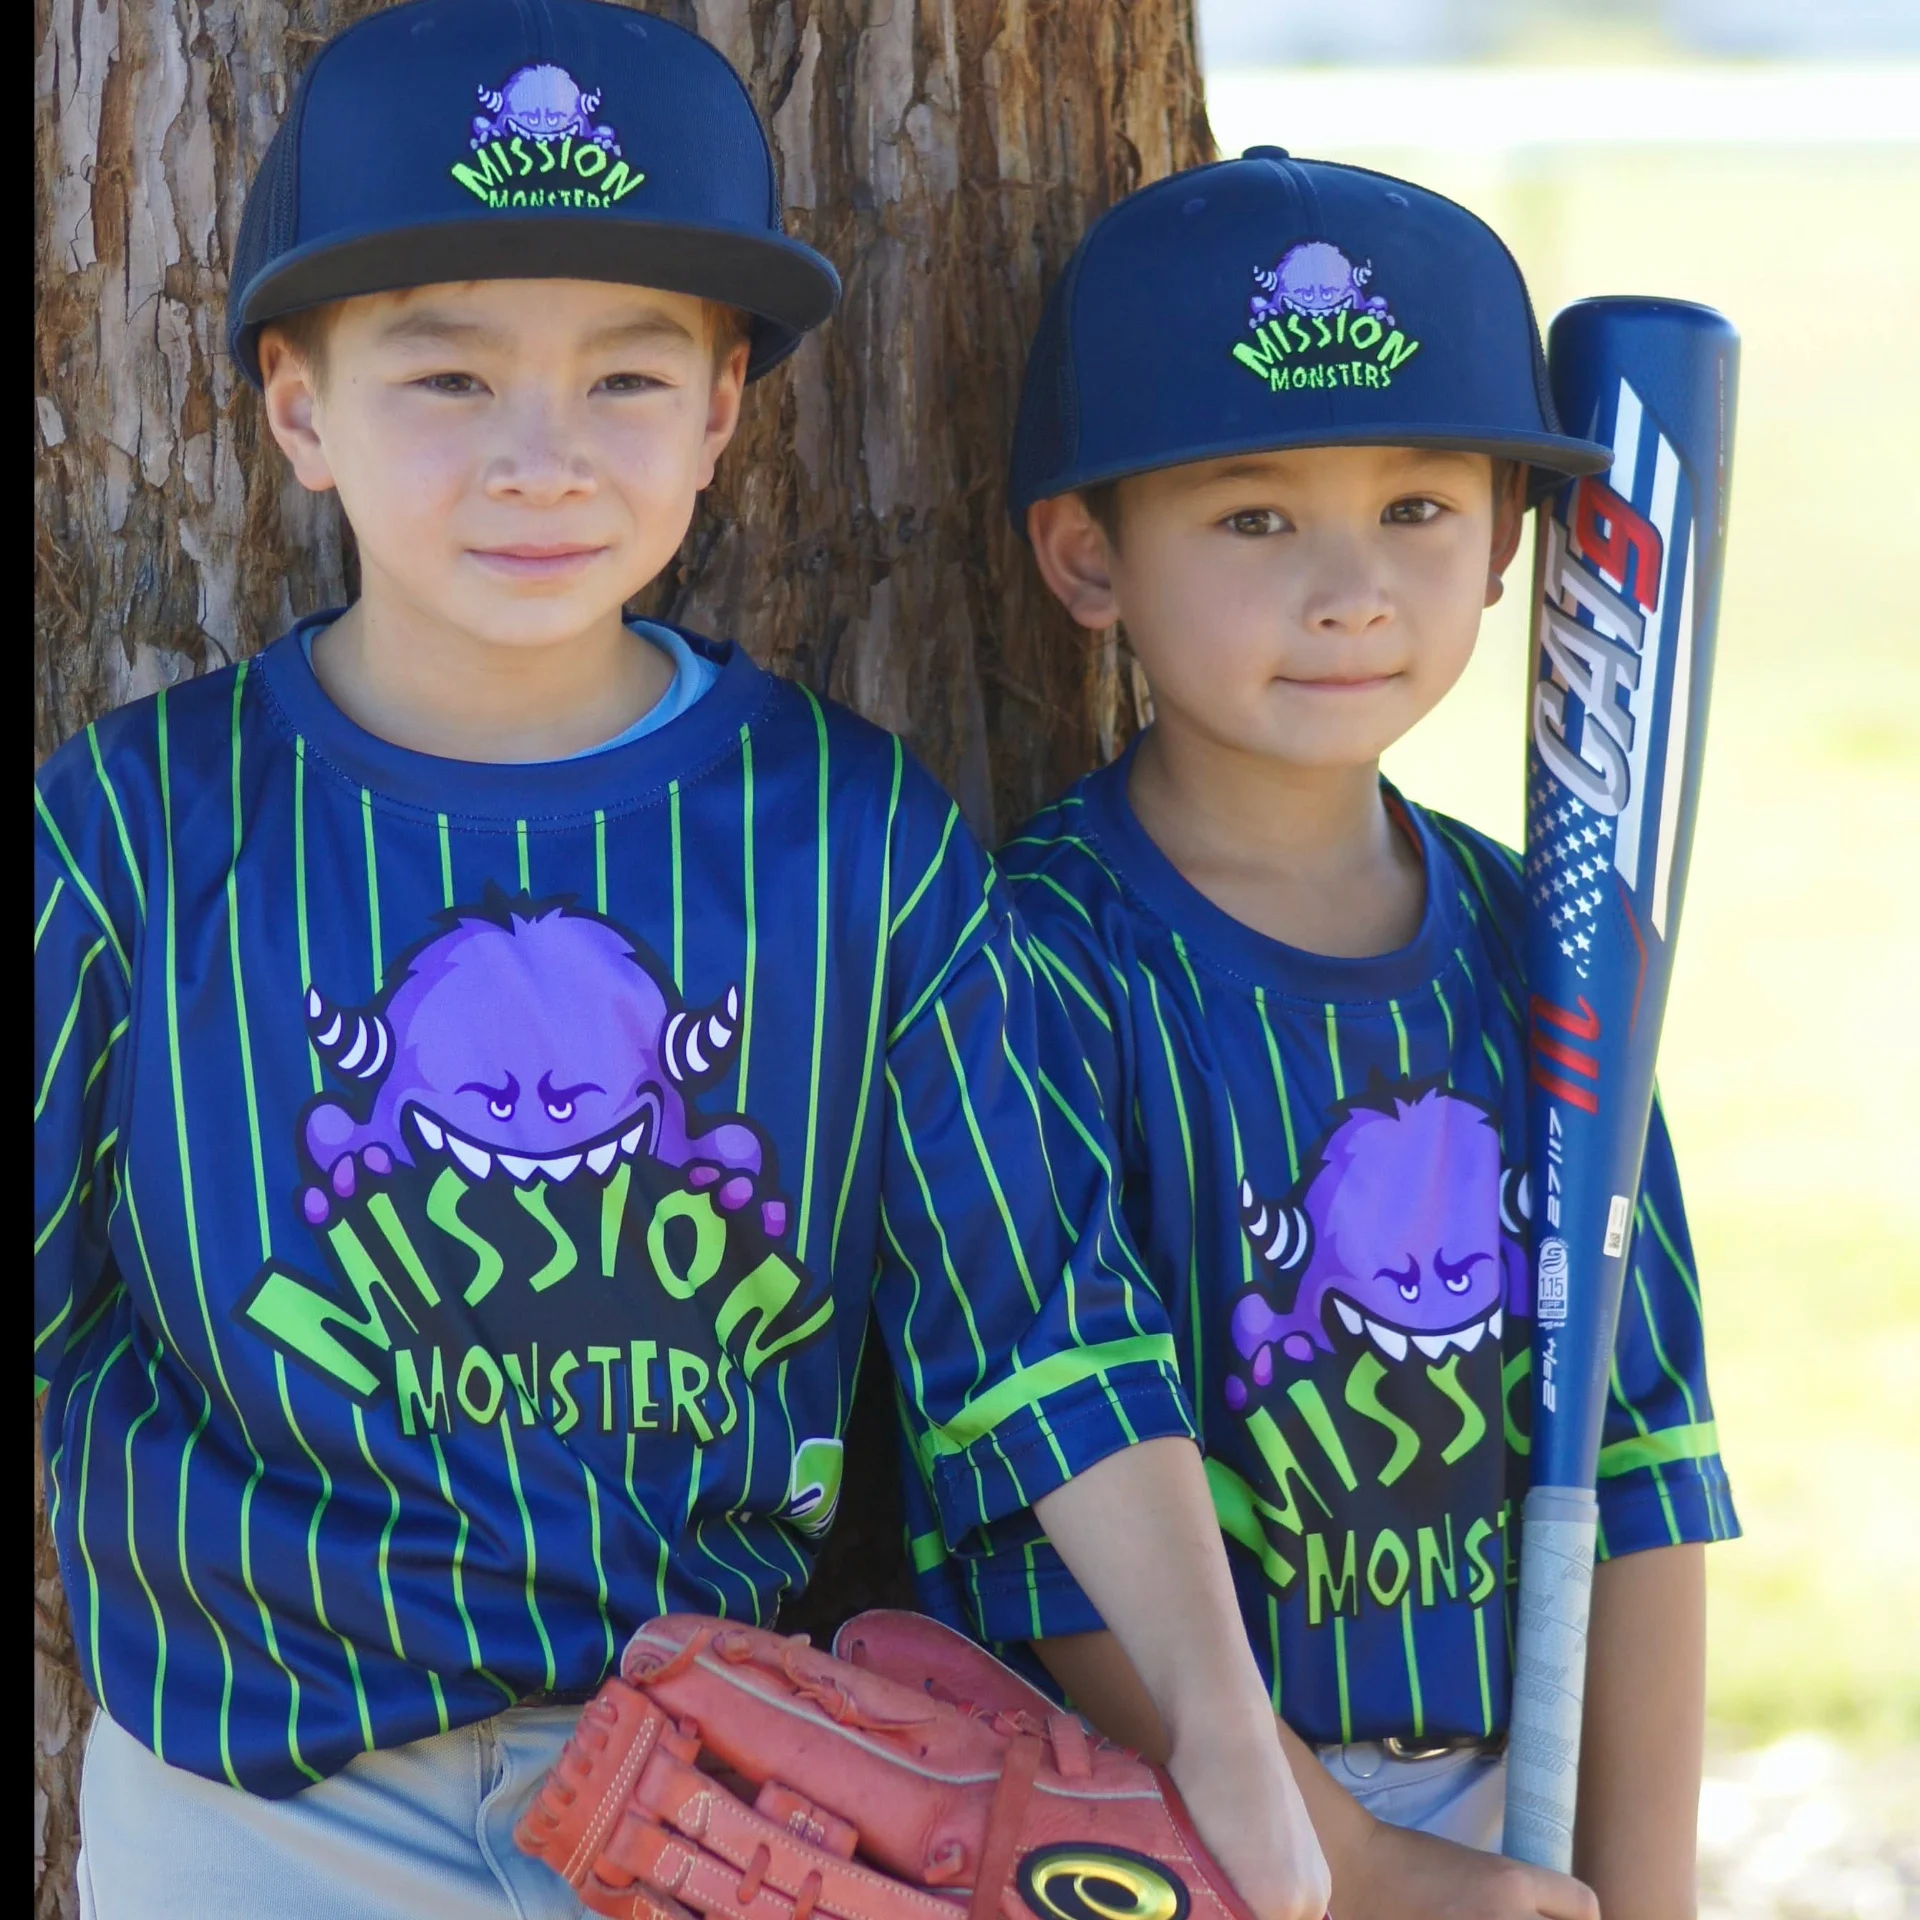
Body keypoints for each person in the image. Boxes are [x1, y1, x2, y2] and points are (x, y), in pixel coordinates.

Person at [30, 9, 1326, 1914]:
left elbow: (1043, 1325)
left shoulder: (853, 841)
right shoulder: (138, 831)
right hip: (253, 1807)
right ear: (296, 404)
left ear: (724, 412)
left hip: (720, 1796)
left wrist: (1227, 1737)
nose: (542, 457)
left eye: (627, 378)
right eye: (448, 375)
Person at [907, 148, 1739, 1920]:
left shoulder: (1555, 949)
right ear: (1085, 553)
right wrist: (1355, 1864)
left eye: (1419, 510)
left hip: (1516, 1779)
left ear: (1513, 543)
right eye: (1255, 517)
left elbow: (1643, 1459)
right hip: (1159, 1816)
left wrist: (1636, 1897)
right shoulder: (1034, 964)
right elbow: (1038, 1490)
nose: (1351, 590)